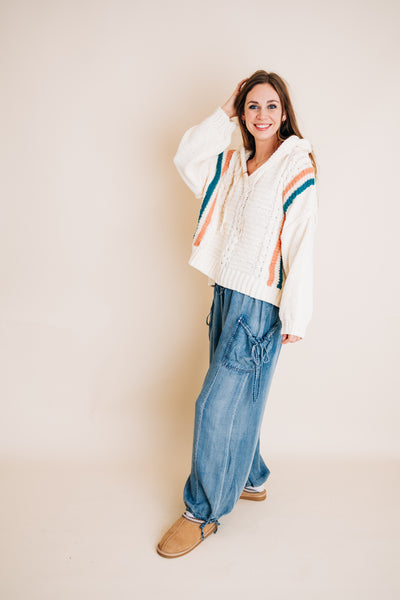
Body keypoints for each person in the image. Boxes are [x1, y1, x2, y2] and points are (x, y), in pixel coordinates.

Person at [157, 70, 319, 558]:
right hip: (225, 295)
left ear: (284, 113)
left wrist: (295, 315)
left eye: (271, 106)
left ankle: (202, 513)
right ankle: (251, 477)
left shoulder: (296, 166)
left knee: (215, 406)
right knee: (240, 398)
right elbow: (186, 158)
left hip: (259, 305)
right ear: (242, 113)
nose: (261, 115)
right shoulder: (232, 164)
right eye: (252, 106)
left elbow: (302, 241)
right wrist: (224, 111)